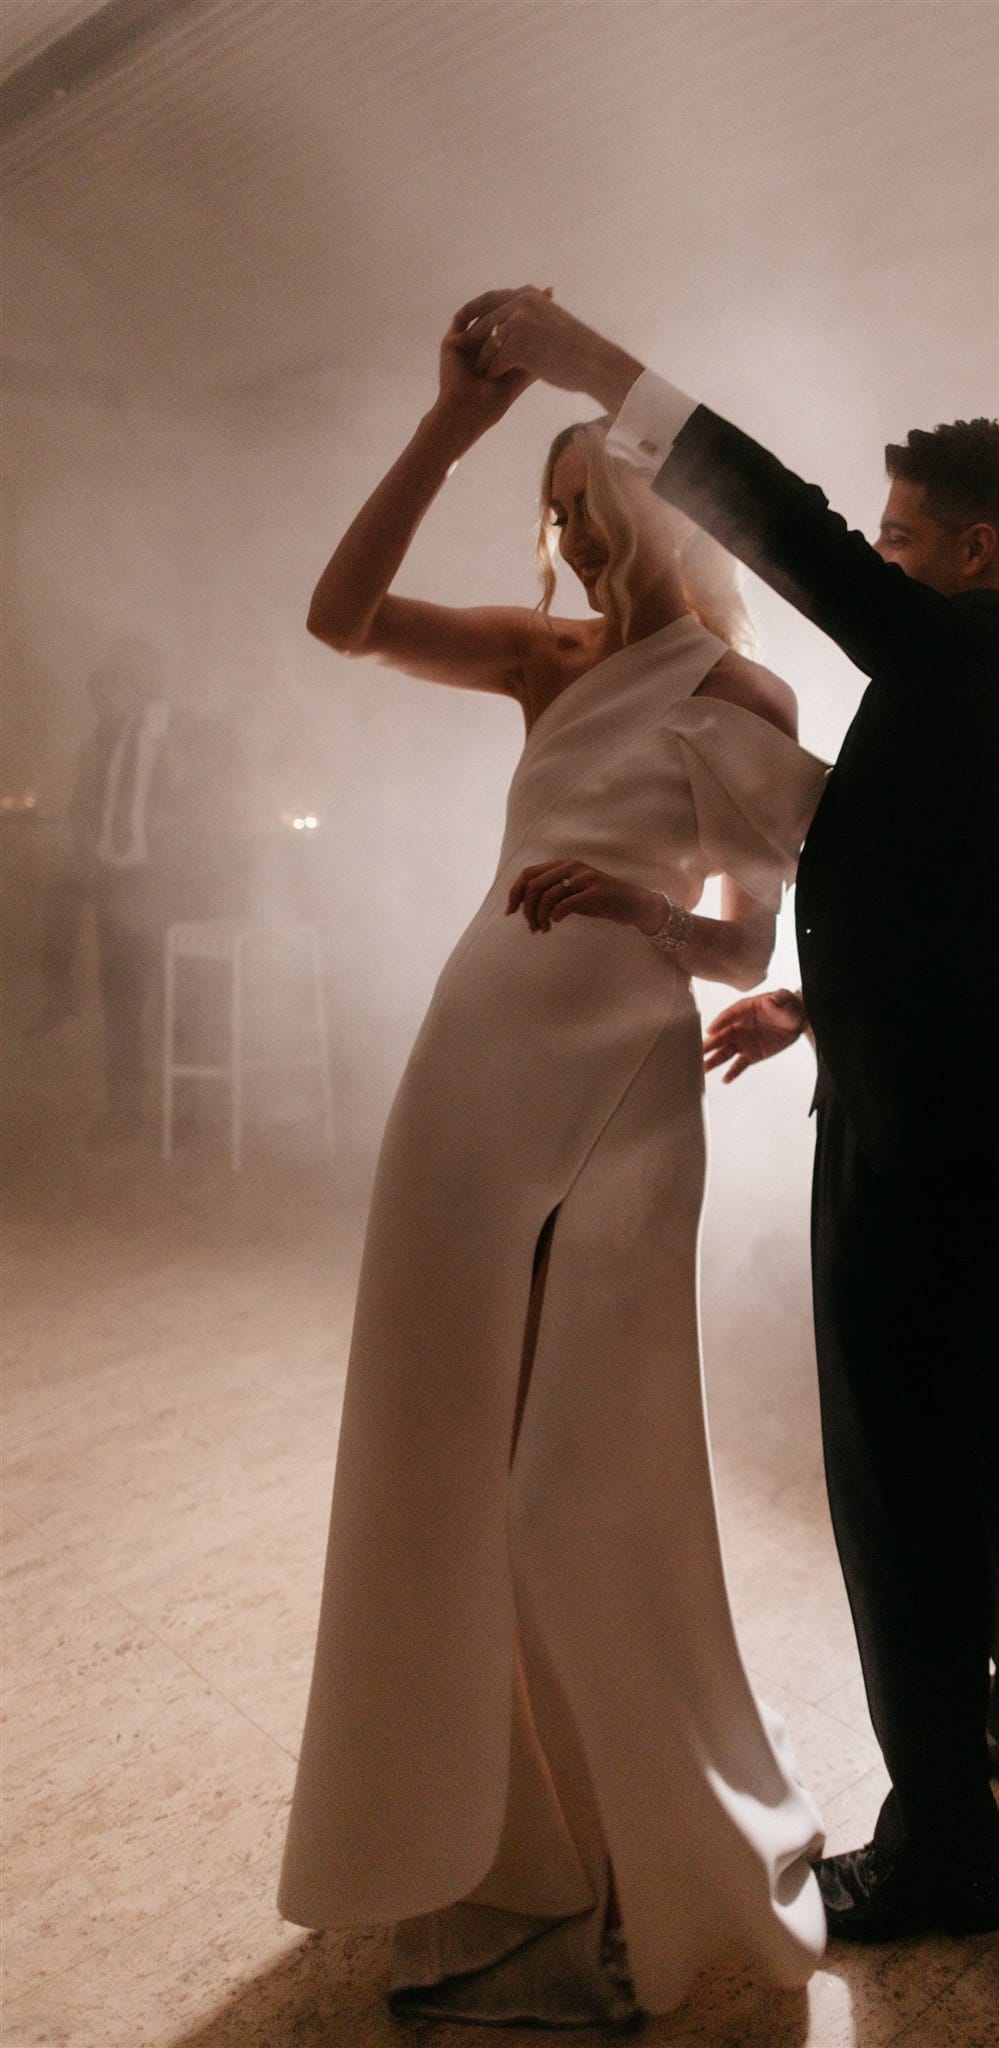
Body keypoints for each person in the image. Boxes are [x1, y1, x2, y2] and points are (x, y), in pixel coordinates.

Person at [453, 287, 999, 1944]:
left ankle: (941, 1848)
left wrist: (588, 361)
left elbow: (782, 519)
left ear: (974, 548)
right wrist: (817, 999)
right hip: (986, 1111)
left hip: (916, 1138)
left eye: (901, 539)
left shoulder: (965, 650)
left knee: (896, 1486)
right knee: (998, 1432)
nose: (874, 559)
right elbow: (986, 908)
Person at [276, 313, 830, 2026]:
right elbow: (341, 617)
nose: (582, 543)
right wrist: (446, 430)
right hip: (475, 1061)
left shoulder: (744, 694)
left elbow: (743, 950)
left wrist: (645, 907)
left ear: (668, 507)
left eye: (600, 508)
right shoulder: (545, 658)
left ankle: (639, 1872)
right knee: (442, 1453)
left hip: (629, 1085)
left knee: (578, 1484)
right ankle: (488, 1861)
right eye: (562, 518)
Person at [34, 639, 246, 1144]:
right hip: (119, 885)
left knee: (182, 1004)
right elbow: (86, 803)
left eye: (135, 675)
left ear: (156, 679)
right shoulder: (104, 738)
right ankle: (124, 1113)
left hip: (178, 887)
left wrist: (179, 773)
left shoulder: (198, 733)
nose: (123, 686)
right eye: (117, 675)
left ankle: (186, 1116)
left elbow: (222, 804)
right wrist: (90, 849)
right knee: (122, 1005)